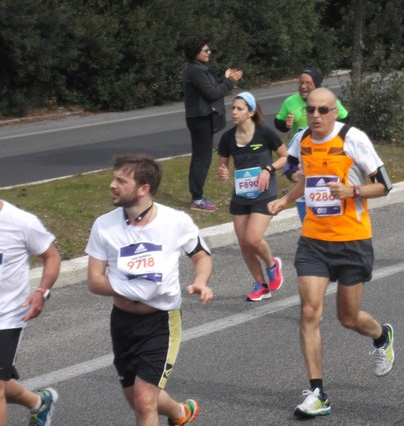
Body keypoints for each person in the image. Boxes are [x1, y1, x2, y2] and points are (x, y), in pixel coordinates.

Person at [268, 88, 395, 418]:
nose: (316, 116)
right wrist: (285, 199)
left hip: (353, 240)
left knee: (348, 317)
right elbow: (304, 176)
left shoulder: (353, 138)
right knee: (310, 311)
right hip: (314, 240)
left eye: (323, 110)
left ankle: (381, 336)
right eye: (311, 110)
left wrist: (351, 190)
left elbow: (384, 185)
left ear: (335, 111)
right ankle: (317, 392)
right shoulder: (303, 139)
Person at [86, 154, 214, 426]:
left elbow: (201, 255)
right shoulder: (104, 225)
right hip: (122, 322)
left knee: (145, 401)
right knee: (137, 399)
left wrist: (201, 281)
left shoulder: (175, 221)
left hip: (161, 320)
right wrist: (139, 287)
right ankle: (180, 413)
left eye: (121, 180)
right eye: (114, 178)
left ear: (144, 188)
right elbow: (94, 281)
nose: (112, 185)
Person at [216, 92, 287, 301]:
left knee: (253, 238)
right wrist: (223, 171)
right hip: (241, 195)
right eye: (233, 108)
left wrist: (268, 168)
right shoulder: (227, 138)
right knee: (244, 244)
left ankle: (272, 266)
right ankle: (261, 284)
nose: (234, 112)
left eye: (239, 108)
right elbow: (223, 164)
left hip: (264, 193)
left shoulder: (265, 133)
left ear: (251, 112)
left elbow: (286, 157)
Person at [0, 200, 61, 426]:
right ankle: (39, 403)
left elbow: (51, 256)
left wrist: (41, 292)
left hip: (7, 317)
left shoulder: (21, 222)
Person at [275, 67, 349, 221]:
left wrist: (328, 128)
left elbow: (345, 118)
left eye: (308, 83)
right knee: (307, 211)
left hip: (327, 157)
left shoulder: (329, 101)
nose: (303, 86)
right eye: (301, 83)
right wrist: (286, 125)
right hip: (303, 154)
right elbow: (279, 122)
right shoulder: (290, 102)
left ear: (317, 85)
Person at [182, 35, 243, 212]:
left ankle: (197, 196)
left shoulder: (198, 69)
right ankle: (197, 198)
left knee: (202, 157)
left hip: (200, 117)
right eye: (206, 50)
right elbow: (212, 93)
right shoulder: (196, 70)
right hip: (200, 118)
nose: (209, 53)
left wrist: (225, 78)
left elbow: (211, 86)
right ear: (196, 53)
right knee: (202, 158)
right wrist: (230, 81)